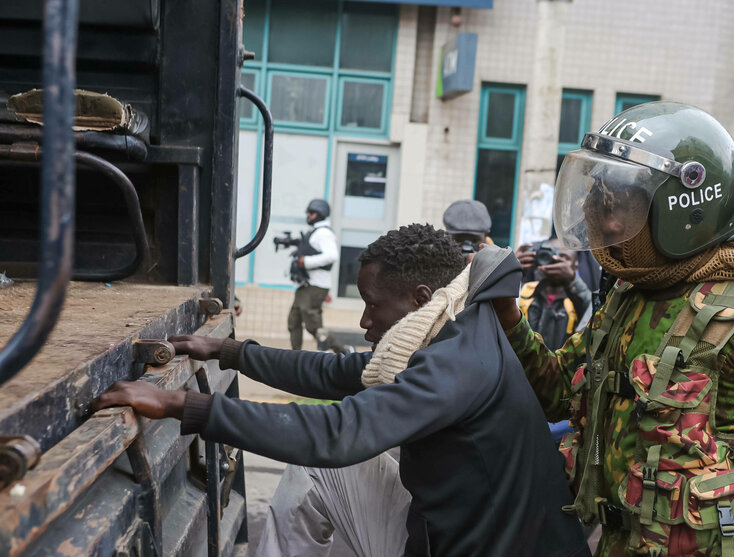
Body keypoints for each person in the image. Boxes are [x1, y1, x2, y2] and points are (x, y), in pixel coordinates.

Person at [93, 223, 589, 557]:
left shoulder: (457, 363)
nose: (364, 320)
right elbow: (337, 375)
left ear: (420, 299)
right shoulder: (455, 325)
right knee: (317, 468)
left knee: (320, 460)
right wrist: (229, 352)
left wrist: (178, 403)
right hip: (459, 535)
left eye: (373, 304)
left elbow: (340, 432)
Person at [490, 101, 734, 555]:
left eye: (622, 205)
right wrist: (509, 317)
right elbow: (557, 395)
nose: (603, 220)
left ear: (682, 208)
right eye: (600, 202)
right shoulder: (629, 296)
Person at [517, 241, 592, 349]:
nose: (555, 260)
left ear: (575, 266)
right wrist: (512, 269)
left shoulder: (577, 300)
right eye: (552, 254)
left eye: (563, 257)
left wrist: (572, 280)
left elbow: (594, 311)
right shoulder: (524, 292)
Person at [287, 199, 339, 351]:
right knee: (293, 321)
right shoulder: (315, 232)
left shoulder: (323, 233)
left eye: (312, 212)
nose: (308, 215)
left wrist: (306, 261)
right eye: (308, 212)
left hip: (316, 285)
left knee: (313, 326)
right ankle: (295, 356)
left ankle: (343, 351)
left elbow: (332, 256)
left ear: (321, 214)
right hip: (307, 284)